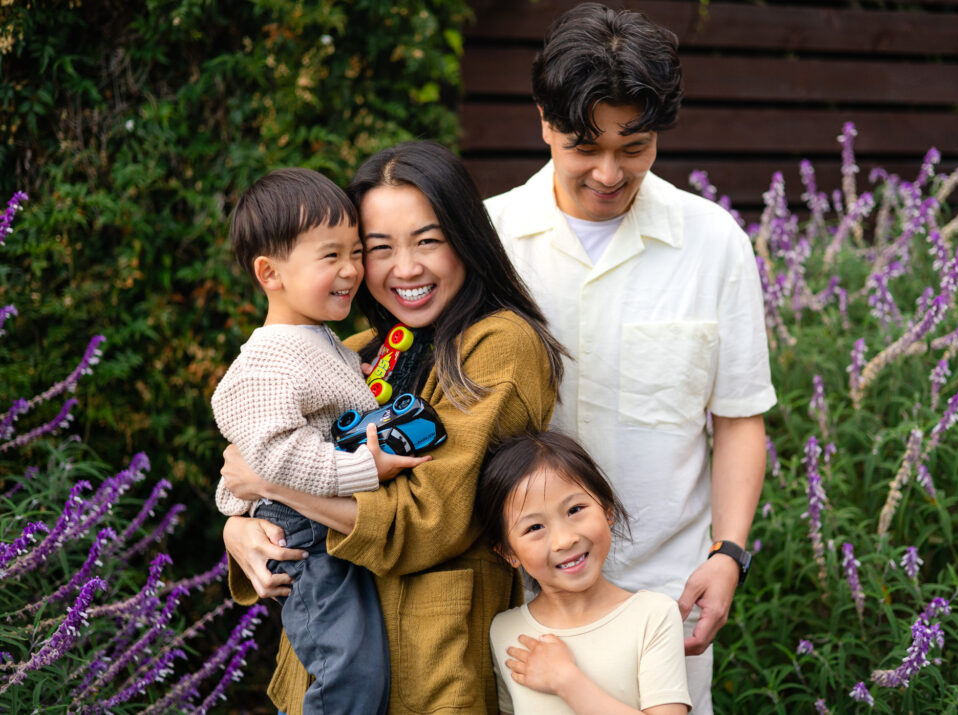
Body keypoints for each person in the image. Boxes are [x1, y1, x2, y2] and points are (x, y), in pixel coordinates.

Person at [484, 4, 777, 711]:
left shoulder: (713, 243)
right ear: (545, 121)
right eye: (585, 146)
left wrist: (728, 554)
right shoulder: (486, 240)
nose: (610, 173)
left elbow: (739, 418)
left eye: (635, 147)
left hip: (663, 597)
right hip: (510, 607)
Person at [219, 141, 568, 714]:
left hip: (430, 670)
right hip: (317, 677)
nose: (404, 269)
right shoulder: (354, 352)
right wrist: (238, 527)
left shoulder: (500, 345)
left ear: (466, 238)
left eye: (428, 240)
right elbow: (252, 459)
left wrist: (275, 488)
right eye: (377, 248)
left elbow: (433, 519)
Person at [212, 167, 429, 714]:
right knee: (348, 673)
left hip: (320, 525)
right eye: (330, 256)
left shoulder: (317, 339)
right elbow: (275, 453)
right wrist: (366, 466)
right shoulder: (267, 360)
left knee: (359, 669)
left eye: (356, 253)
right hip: (304, 538)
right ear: (270, 272)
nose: (352, 270)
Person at [477, 431, 691, 714]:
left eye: (575, 509)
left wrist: (567, 680)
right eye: (534, 528)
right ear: (508, 552)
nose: (565, 540)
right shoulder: (504, 631)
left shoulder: (653, 616)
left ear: (607, 510)